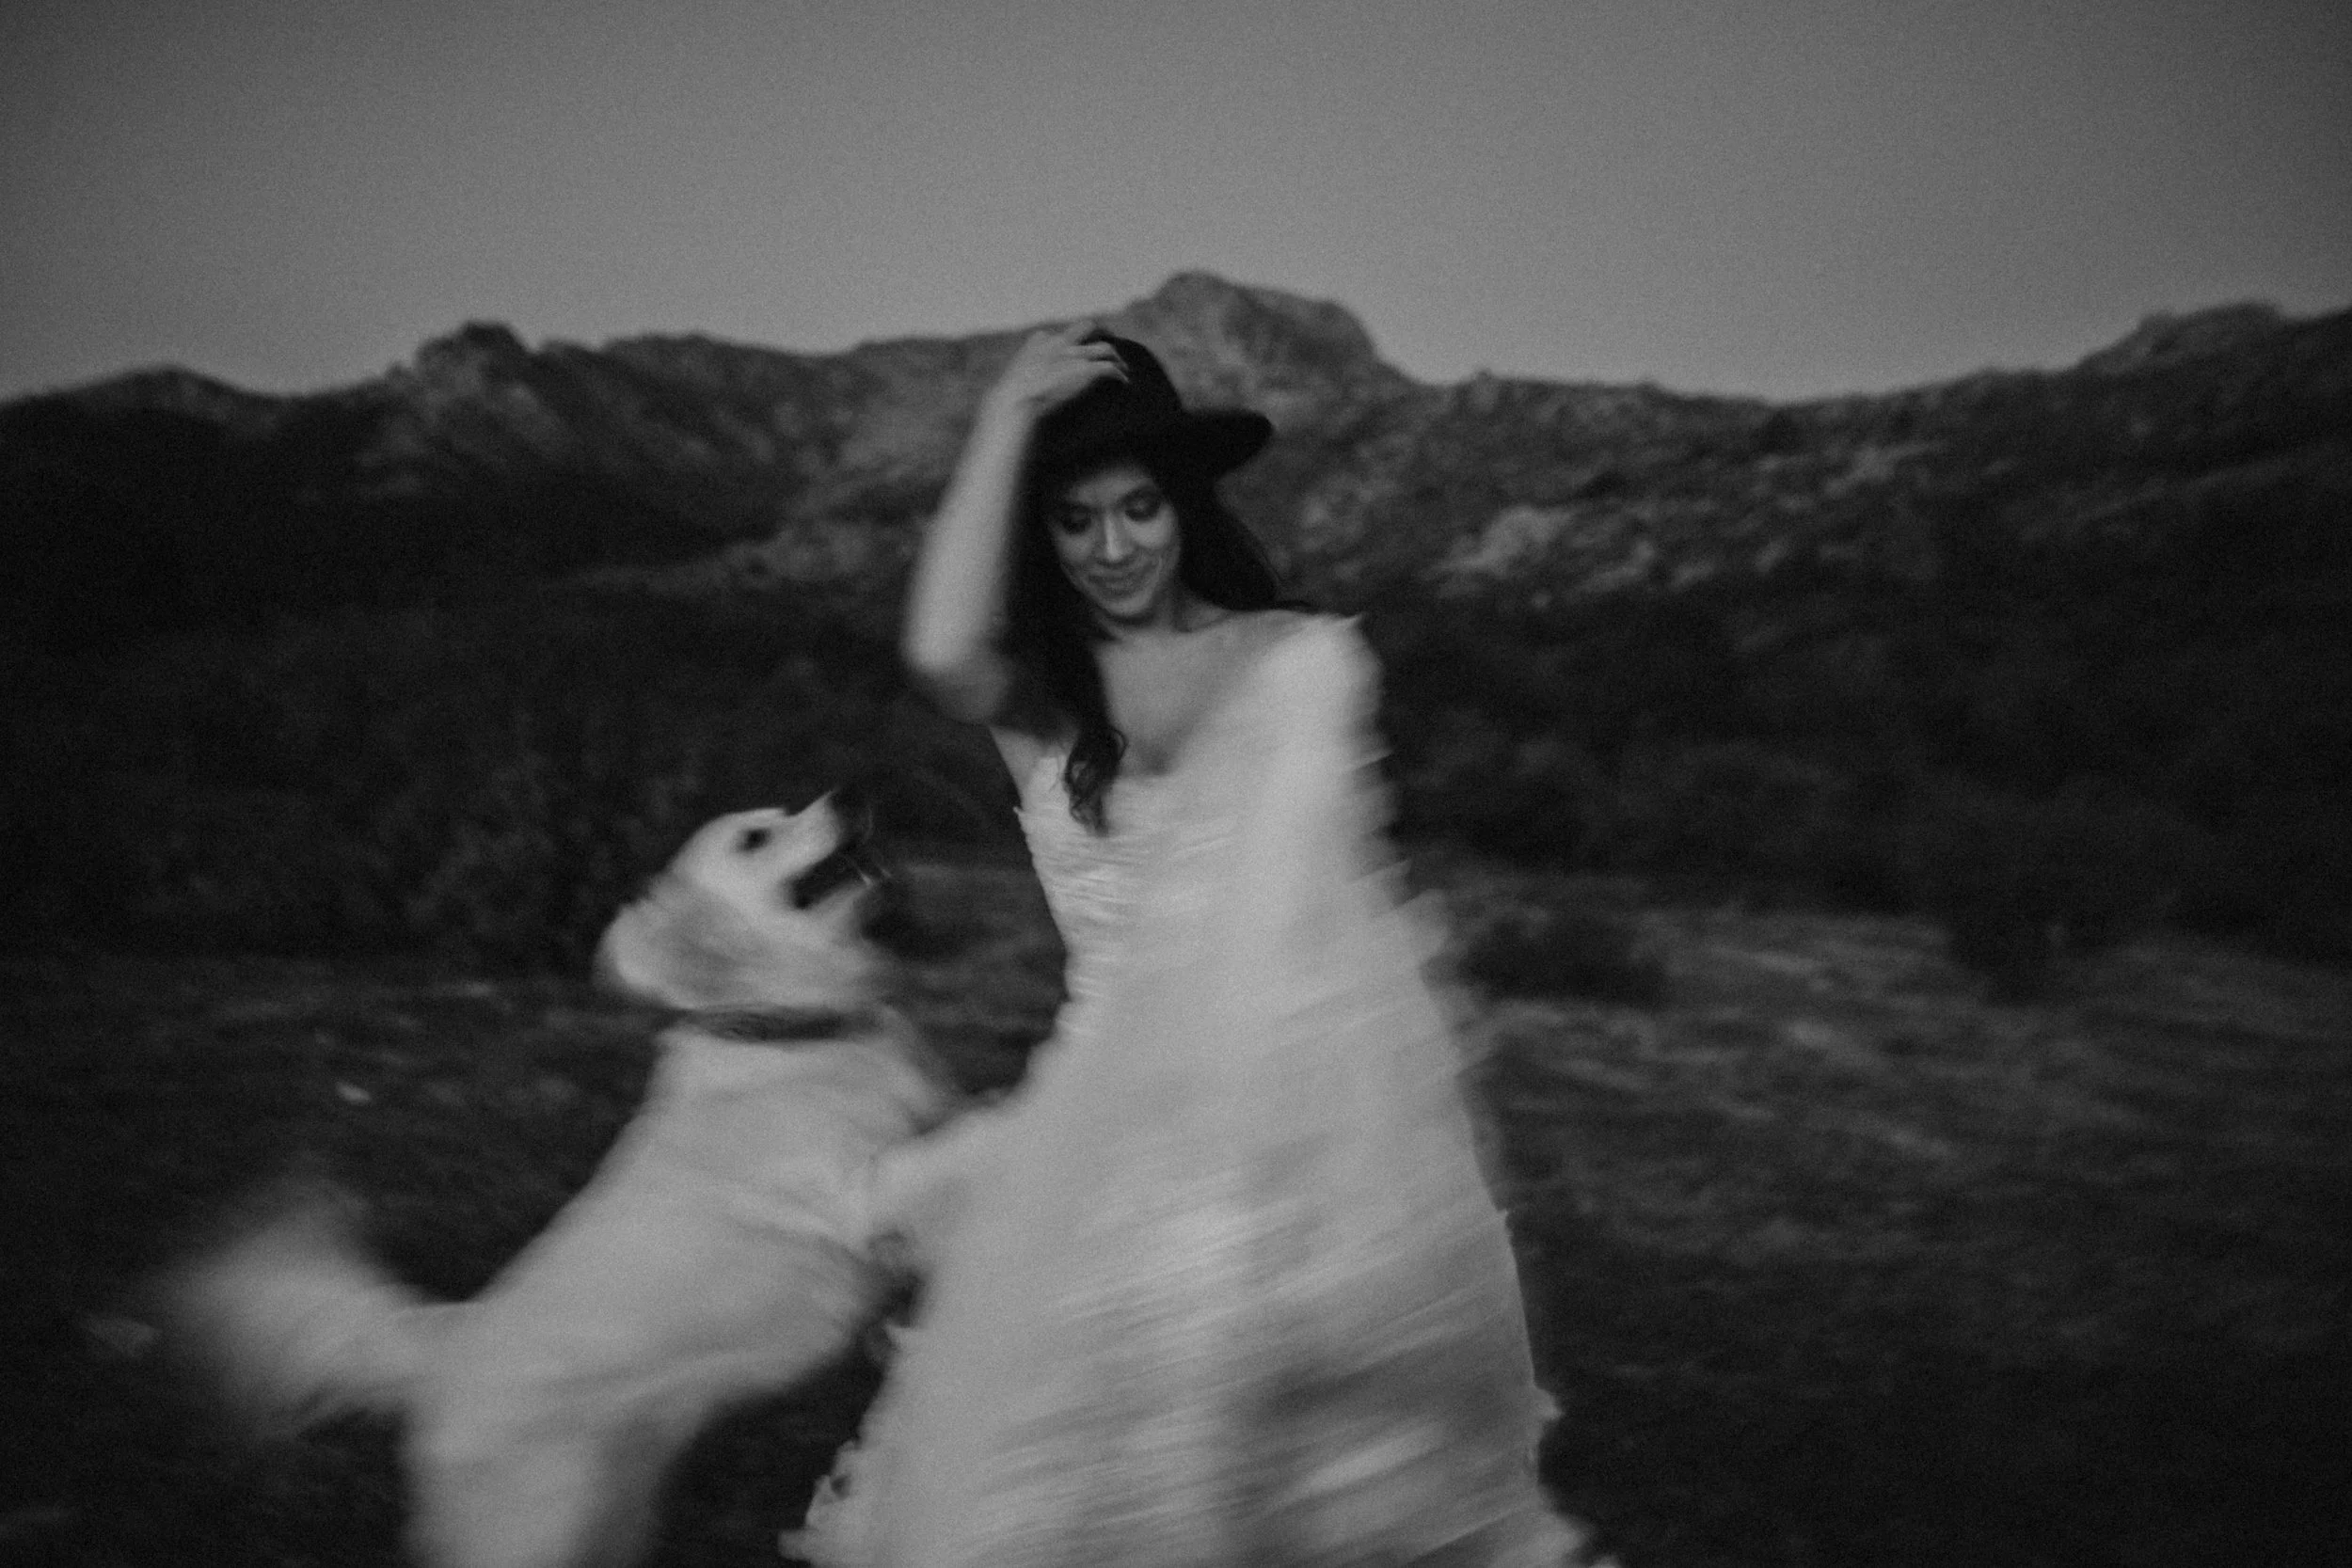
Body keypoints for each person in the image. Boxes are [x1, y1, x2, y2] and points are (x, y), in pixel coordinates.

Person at [787, 325, 1597, 1566]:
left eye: (1139, 508)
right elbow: (940, 646)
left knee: (1283, 1493)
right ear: (1039, 534)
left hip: (1286, 1142)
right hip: (1099, 1142)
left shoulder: (1286, 663)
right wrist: (1005, 414)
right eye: (1074, 519)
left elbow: (1350, 914)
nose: (1113, 549)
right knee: (1058, 1495)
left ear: (1185, 506)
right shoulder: (1045, 690)